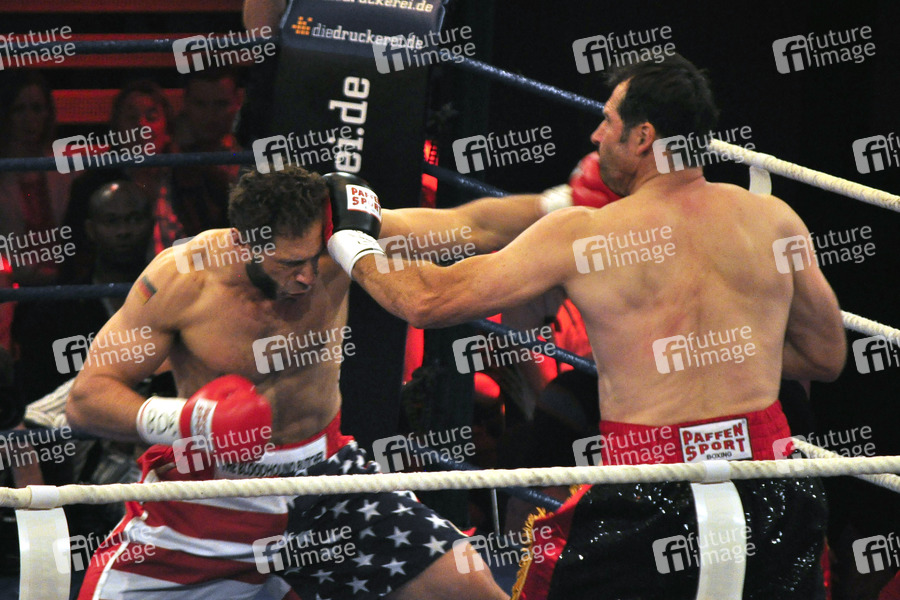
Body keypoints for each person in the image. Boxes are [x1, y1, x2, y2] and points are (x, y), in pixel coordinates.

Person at [328, 54, 846, 599]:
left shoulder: (585, 234)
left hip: (646, 494)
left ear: (643, 137)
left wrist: (350, 241)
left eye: (608, 120)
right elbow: (826, 356)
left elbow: (428, 300)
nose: (596, 135)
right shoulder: (774, 220)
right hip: (770, 488)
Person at [66, 164, 555, 599]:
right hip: (210, 494)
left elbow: (473, 225)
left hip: (325, 476)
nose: (306, 278)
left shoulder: (338, 243)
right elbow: (87, 399)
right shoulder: (181, 280)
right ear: (243, 241)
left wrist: (565, 201)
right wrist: (190, 420)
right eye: (288, 264)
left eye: (312, 258)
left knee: (469, 588)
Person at [0, 71, 73, 287]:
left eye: (37, 108)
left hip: (66, 286)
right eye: (19, 109)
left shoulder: (66, 172)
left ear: (48, 114)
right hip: (11, 290)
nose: (29, 119)